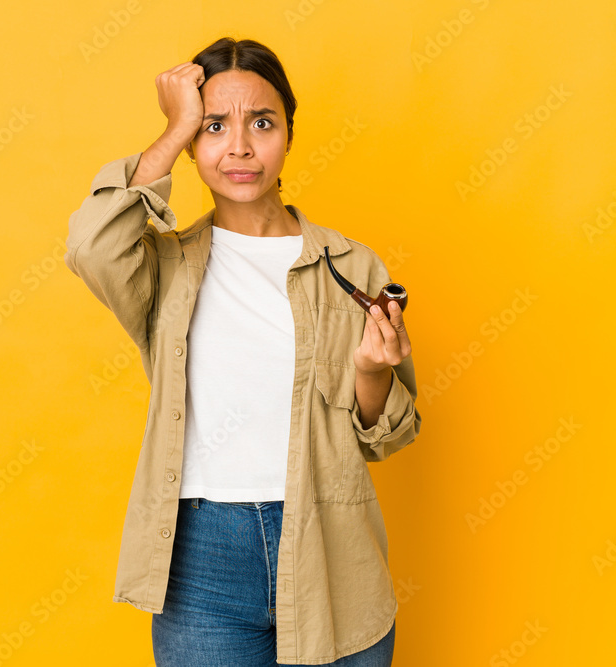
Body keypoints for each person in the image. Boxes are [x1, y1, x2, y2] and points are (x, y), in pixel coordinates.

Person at [65, 37, 421, 666]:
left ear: (288, 131)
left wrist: (370, 371)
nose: (240, 148)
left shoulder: (352, 265)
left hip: (332, 549)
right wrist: (173, 127)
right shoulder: (165, 266)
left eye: (262, 122)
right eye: (212, 126)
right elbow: (92, 247)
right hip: (203, 558)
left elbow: (385, 436)